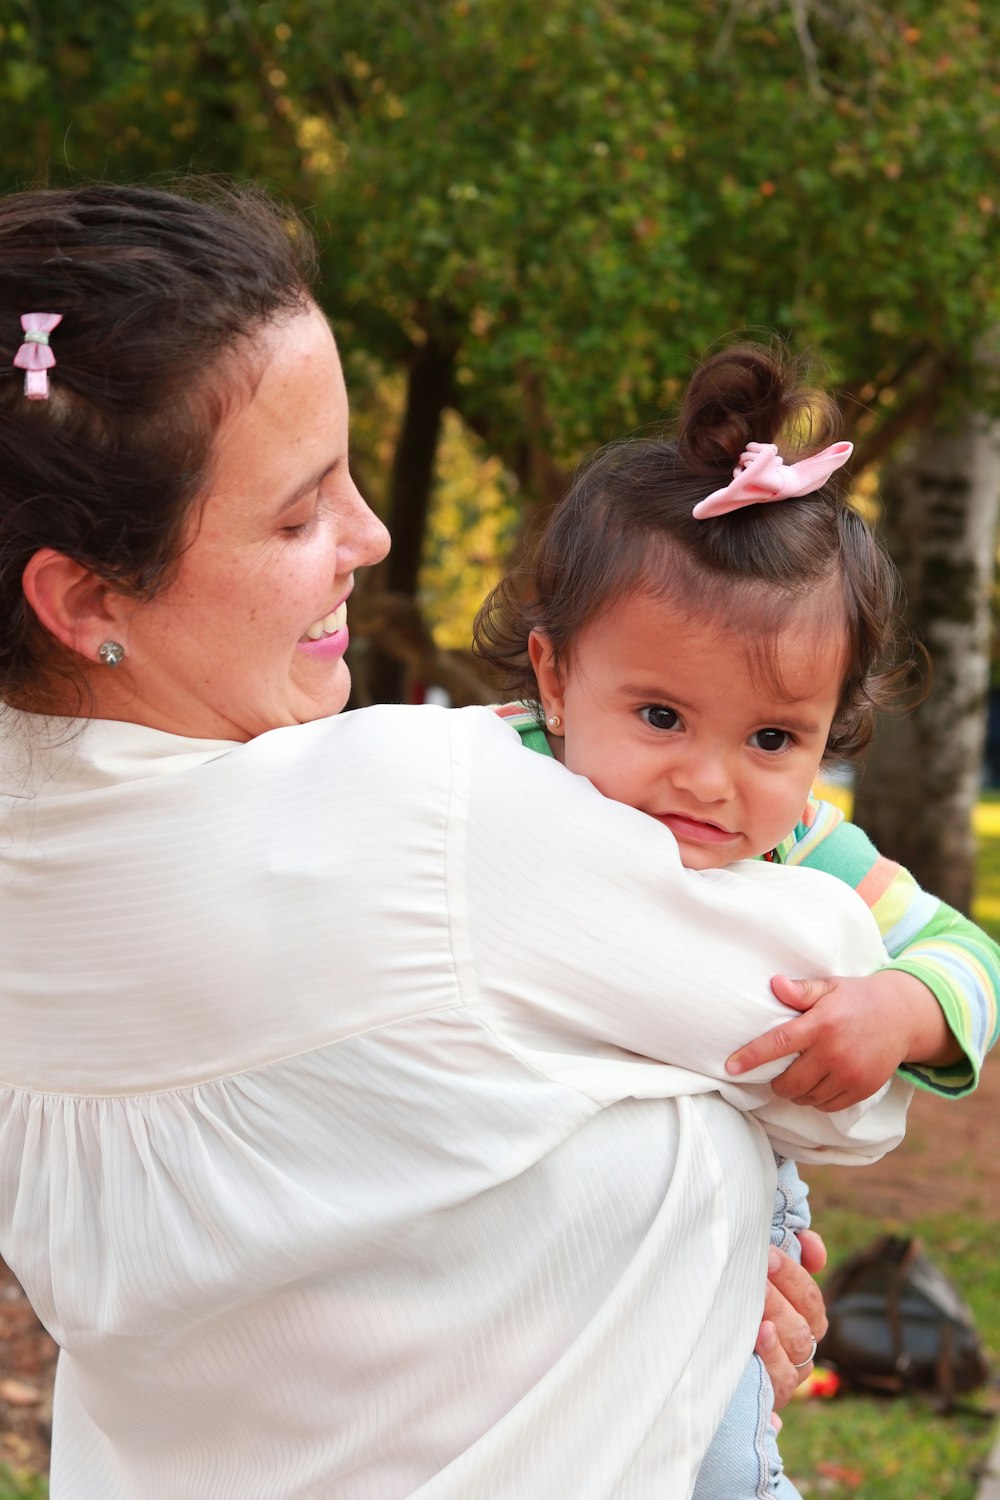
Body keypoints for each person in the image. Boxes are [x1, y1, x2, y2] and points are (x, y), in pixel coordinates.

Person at [0, 182, 914, 1500]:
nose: (369, 537)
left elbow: (311, 1270)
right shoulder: (426, 821)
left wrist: (662, 1290)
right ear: (87, 597)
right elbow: (835, 1031)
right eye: (300, 513)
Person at [473, 341, 1000, 1498]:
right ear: (554, 682)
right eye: (660, 715)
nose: (712, 782)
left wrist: (899, 1008)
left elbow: (968, 956)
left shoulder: (808, 840)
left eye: (771, 738)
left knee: (716, 1466)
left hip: (723, 1267)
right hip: (511, 1257)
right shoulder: (493, 784)